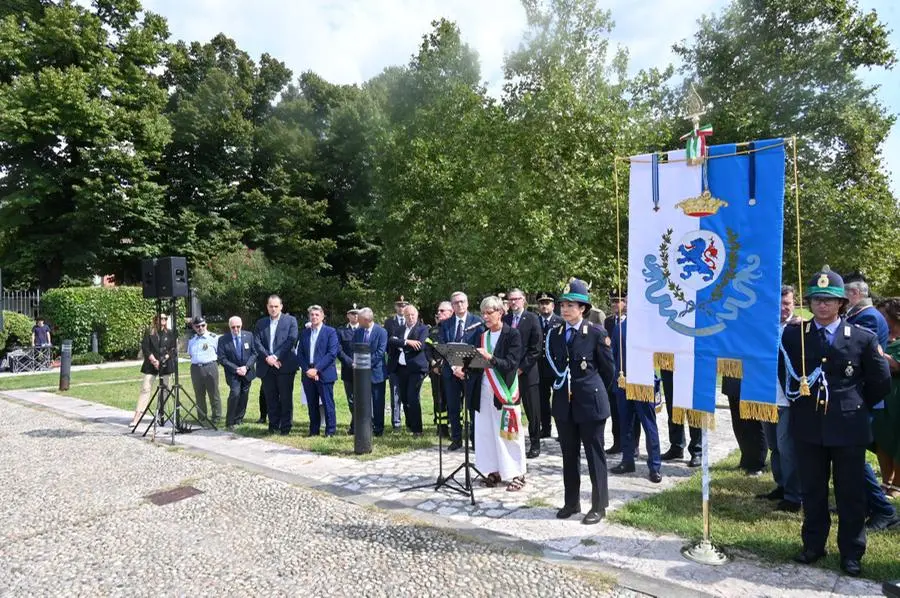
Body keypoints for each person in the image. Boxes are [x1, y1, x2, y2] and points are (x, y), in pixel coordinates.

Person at [780, 267, 891, 577]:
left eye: (829, 300)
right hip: (808, 425)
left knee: (850, 492)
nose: (822, 305)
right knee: (813, 490)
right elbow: (784, 372)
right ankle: (813, 545)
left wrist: (853, 405)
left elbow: (880, 381)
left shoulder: (861, 338)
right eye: (816, 299)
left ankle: (851, 552)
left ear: (842, 303)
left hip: (849, 425)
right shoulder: (793, 335)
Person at [546, 279, 615, 524]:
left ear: (583, 309)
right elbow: (553, 366)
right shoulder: (555, 334)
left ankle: (599, 506)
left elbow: (609, 372)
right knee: (569, 454)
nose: (565, 309)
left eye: (571, 305)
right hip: (565, 404)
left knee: (595, 456)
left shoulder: (596, 333)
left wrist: (593, 393)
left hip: (590, 404)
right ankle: (571, 502)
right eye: (563, 305)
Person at [466, 295, 525, 490]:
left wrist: (491, 358)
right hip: (484, 390)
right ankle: (494, 470)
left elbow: (510, 364)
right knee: (486, 433)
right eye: (483, 313)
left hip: (505, 391)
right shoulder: (483, 336)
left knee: (508, 434)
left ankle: (517, 473)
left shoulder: (512, 335)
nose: (485, 317)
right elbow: (478, 364)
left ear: (500, 312)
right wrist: (464, 368)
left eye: (489, 313)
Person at [755, 285, 803, 512]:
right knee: (774, 446)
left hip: (789, 399)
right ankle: (781, 486)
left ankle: (794, 496)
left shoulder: (801, 328)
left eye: (787, 304)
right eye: (779, 304)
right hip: (766, 397)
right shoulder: (765, 328)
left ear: (794, 304)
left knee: (787, 448)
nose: (783, 309)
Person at [608, 294, 662, 483]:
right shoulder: (619, 327)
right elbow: (613, 355)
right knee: (626, 424)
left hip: (644, 382)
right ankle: (627, 460)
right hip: (624, 382)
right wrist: (616, 379)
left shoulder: (651, 328)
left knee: (649, 425)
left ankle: (655, 466)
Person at [439, 291, 483, 451]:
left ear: (468, 303)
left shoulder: (478, 323)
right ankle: (456, 438)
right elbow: (443, 346)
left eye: (462, 301)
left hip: (471, 372)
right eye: (456, 302)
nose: (460, 304)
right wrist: (454, 367)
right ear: (452, 305)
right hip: (451, 372)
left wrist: (465, 367)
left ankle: (474, 439)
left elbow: (479, 347)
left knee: (472, 407)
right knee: (453, 406)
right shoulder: (445, 324)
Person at [503, 288, 544, 458]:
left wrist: (521, 368)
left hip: (527, 373)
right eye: (511, 299)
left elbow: (536, 348)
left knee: (532, 410)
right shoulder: (505, 319)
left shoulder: (533, 319)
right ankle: (510, 440)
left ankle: (535, 443)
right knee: (510, 409)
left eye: (517, 299)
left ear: (524, 300)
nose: (513, 302)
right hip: (509, 372)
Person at [252, 294, 299, 435]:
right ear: (267, 307)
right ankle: (273, 425)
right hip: (267, 366)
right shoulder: (261, 323)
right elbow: (257, 342)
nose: (273, 309)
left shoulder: (290, 321)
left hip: (284, 365)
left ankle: (285, 427)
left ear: (281, 307)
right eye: (271, 306)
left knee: (285, 398)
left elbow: (291, 339)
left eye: (276, 306)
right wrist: (268, 358)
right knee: (270, 398)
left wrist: (276, 356)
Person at [298, 305, 341, 437]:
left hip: (324, 373)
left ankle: (330, 431)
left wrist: (316, 370)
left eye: (317, 314)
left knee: (328, 404)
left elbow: (332, 353)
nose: (314, 317)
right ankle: (314, 430)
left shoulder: (330, 332)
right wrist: (308, 370)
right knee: (312, 403)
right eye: (312, 315)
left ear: (322, 316)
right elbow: (300, 354)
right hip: (308, 373)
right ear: (309, 317)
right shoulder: (305, 333)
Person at [389, 304, 429, 436]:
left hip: (416, 369)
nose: (410, 317)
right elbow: (391, 341)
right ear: (404, 316)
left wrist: (401, 344)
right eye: (407, 315)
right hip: (400, 368)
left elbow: (420, 346)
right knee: (404, 398)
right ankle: (410, 425)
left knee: (413, 397)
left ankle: (418, 430)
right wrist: (407, 342)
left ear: (417, 316)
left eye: (413, 315)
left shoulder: (423, 329)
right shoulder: (399, 329)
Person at [874, 298, 900, 498]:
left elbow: (896, 366)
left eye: (883, 314)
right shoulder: (880, 336)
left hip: (897, 395)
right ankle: (886, 481)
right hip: (881, 394)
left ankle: (897, 485)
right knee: (881, 436)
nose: (880, 318)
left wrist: (878, 354)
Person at [131, 314, 175, 427]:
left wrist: (164, 358)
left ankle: (161, 413)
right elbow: (145, 348)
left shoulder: (169, 333)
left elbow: (172, 349)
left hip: (165, 364)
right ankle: (137, 416)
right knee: (145, 388)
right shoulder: (149, 332)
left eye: (165, 318)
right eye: (161, 318)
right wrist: (154, 361)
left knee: (165, 389)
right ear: (156, 320)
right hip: (151, 365)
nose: (163, 320)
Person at [217, 316, 257, 430]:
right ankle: (229, 421)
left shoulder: (249, 336)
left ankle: (239, 419)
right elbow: (222, 358)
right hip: (233, 373)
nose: (236, 329)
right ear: (229, 327)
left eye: (238, 326)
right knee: (235, 393)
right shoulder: (223, 340)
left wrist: (247, 367)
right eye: (233, 327)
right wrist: (236, 369)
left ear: (241, 325)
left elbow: (254, 353)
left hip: (247, 372)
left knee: (244, 395)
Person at [354, 308, 388, 435]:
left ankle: (378, 429)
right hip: (361, 374)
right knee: (363, 401)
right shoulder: (358, 332)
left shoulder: (381, 332)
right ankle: (365, 426)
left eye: (360, 319)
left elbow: (380, 352)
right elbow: (355, 347)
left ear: (366, 320)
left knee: (378, 402)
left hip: (376, 373)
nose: (357, 320)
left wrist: (366, 364)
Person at [536, 292, 564, 439]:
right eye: (542, 303)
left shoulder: (560, 321)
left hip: (556, 368)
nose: (544, 306)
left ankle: (561, 430)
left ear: (553, 306)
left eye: (547, 303)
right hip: (539, 367)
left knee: (559, 400)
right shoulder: (535, 321)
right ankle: (545, 428)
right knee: (542, 400)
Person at [187, 315, 221, 425]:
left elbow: (219, 353)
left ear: (206, 325)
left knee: (213, 393)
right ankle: (201, 417)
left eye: (203, 325)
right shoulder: (192, 340)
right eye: (198, 326)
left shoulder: (213, 337)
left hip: (210, 367)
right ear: (194, 327)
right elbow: (190, 354)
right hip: (196, 368)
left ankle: (216, 417)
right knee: (199, 394)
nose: (200, 328)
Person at [427, 301, 453, 437]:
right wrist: (432, 362)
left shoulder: (454, 329)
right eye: (439, 311)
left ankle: (456, 427)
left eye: (443, 311)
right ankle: (441, 428)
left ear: (451, 312)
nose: (439, 313)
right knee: (439, 399)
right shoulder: (434, 330)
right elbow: (427, 349)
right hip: (436, 372)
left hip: (452, 371)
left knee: (454, 401)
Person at [384, 295, 409, 431]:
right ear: (395, 307)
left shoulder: (412, 320)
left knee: (409, 394)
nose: (401, 307)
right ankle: (396, 423)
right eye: (399, 305)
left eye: (404, 305)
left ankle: (411, 421)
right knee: (395, 394)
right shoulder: (389, 322)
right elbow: (387, 341)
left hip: (409, 363)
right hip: (394, 362)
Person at [337, 305, 360, 434]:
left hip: (363, 370)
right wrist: (350, 362)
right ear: (348, 315)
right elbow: (338, 350)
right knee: (351, 400)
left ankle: (358, 425)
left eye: (357, 313)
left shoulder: (364, 329)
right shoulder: (341, 331)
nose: (355, 316)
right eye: (352, 313)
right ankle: (355, 425)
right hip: (348, 370)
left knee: (363, 398)